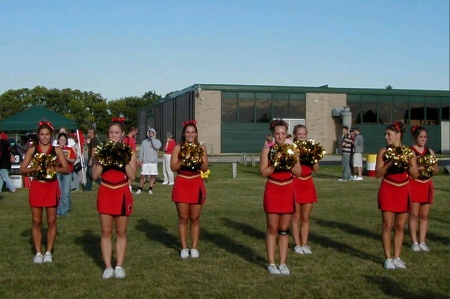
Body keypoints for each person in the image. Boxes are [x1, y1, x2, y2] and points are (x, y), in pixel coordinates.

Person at [18, 121, 70, 264]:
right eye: (42, 134)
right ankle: (38, 252)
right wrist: (33, 169)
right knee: (36, 221)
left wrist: (54, 168)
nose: (45, 137)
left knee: (52, 220)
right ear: (38, 135)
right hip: (37, 186)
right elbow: (21, 170)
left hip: (51, 186)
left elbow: (67, 169)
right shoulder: (32, 150)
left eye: (47, 134)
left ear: (51, 135)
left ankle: (48, 251)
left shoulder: (57, 150)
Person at [91, 118, 137, 279]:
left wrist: (122, 160)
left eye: (117, 132)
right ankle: (108, 267)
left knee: (121, 231)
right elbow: (94, 175)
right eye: (111, 132)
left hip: (122, 191)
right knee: (105, 231)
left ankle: (119, 266)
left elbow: (133, 176)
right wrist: (105, 160)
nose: (114, 135)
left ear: (123, 134)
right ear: (107, 134)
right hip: (106, 191)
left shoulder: (129, 151)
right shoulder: (101, 151)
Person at [260, 119, 301, 275]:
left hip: (287, 190)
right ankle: (271, 263)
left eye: (283, 133)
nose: (280, 136)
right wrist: (275, 164)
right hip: (273, 189)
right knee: (272, 229)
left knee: (284, 230)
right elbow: (263, 172)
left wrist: (288, 161)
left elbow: (298, 172)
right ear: (273, 134)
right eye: (277, 133)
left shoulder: (292, 151)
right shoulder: (267, 150)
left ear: (287, 134)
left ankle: (283, 263)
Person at [375, 121, 418, 270]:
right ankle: (388, 258)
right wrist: (390, 162)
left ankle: (397, 257)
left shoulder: (409, 152)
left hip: (403, 189)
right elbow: (377, 174)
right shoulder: (383, 151)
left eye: (389, 134)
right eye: (385, 134)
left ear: (398, 135)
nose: (386, 137)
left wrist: (406, 162)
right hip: (388, 188)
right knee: (388, 225)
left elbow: (415, 174)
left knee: (400, 226)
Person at [170, 120, 208, 259]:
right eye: (187, 132)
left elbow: (205, 168)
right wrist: (183, 161)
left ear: (196, 134)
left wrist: (197, 159)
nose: (190, 135)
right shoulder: (178, 148)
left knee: (195, 218)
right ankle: (184, 247)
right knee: (183, 218)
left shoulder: (201, 148)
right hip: (182, 183)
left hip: (196, 183)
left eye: (193, 132)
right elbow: (173, 167)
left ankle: (194, 247)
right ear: (184, 134)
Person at [409, 126, 438, 252]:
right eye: (420, 137)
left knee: (424, 215)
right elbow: (408, 169)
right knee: (414, 214)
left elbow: (436, 169)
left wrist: (431, 168)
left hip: (426, 184)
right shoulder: (410, 151)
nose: (423, 139)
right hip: (415, 184)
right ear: (415, 137)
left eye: (425, 137)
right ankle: (414, 242)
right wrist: (418, 168)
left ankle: (422, 242)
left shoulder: (430, 152)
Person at [291, 125, 319, 255]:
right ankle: (297, 244)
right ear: (295, 135)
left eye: (304, 134)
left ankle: (304, 244)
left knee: (306, 217)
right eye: (299, 134)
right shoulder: (291, 149)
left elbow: (316, 169)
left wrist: (314, 157)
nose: (302, 137)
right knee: (296, 217)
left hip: (307, 183)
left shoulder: (311, 149)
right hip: (295, 183)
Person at [136, 128, 161, 195]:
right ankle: (140, 188)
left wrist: (152, 141)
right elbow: (141, 151)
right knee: (142, 175)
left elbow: (157, 147)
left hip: (153, 162)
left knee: (152, 176)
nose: (151, 134)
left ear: (154, 134)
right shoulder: (144, 142)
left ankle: (150, 189)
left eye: (152, 133)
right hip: (146, 161)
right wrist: (140, 159)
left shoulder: (157, 141)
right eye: (150, 133)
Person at [56, 133, 76, 216]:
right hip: (58, 171)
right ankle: (59, 209)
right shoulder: (56, 149)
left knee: (66, 192)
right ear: (58, 140)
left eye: (64, 140)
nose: (62, 141)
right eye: (61, 140)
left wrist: (67, 159)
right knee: (59, 191)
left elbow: (74, 160)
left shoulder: (69, 149)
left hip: (67, 171)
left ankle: (64, 211)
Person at [123, 126, 138, 192]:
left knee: (133, 172)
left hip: (132, 156)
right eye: (136, 131)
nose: (136, 133)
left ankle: (129, 185)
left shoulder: (133, 138)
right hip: (129, 157)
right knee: (129, 172)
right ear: (133, 131)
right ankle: (128, 186)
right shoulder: (127, 138)